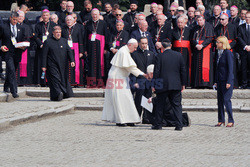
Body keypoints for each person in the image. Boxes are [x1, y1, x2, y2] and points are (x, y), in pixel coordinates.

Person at [102, 39, 148, 126]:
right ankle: (121, 120)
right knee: (120, 99)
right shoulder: (123, 52)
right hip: (117, 78)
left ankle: (128, 119)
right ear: (130, 45)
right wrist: (143, 74)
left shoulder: (124, 51)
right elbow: (131, 68)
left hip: (121, 77)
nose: (135, 49)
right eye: (134, 47)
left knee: (126, 99)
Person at [152, 39, 186, 130]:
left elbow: (156, 71)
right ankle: (179, 125)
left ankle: (158, 124)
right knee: (177, 105)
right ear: (171, 45)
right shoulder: (179, 55)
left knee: (160, 105)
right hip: (176, 84)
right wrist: (183, 83)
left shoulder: (159, 56)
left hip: (162, 84)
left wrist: (154, 84)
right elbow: (183, 70)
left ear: (162, 47)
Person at [42, 26, 75, 101]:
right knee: (55, 79)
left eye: (59, 32)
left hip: (63, 64)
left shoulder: (64, 41)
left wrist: (72, 61)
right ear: (53, 33)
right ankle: (58, 92)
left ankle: (59, 94)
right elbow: (44, 55)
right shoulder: (48, 42)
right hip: (52, 64)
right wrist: (43, 65)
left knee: (62, 79)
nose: (58, 34)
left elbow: (69, 51)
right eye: (56, 32)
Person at [0, 12, 26, 98]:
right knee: (11, 69)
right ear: (10, 18)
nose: (15, 21)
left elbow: (23, 39)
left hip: (17, 52)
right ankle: (14, 90)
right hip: (8, 52)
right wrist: (1, 46)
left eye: (16, 20)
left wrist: (23, 46)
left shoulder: (21, 27)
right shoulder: (4, 27)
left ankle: (6, 85)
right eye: (14, 19)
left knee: (13, 70)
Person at [130, 37, 155, 123]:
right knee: (138, 100)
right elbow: (132, 69)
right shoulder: (134, 54)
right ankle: (137, 117)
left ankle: (146, 118)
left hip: (149, 82)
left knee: (148, 99)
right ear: (139, 44)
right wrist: (134, 82)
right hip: (139, 81)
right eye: (143, 43)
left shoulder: (151, 54)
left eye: (146, 43)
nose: (144, 45)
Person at [84, 8, 108, 87]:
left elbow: (106, 35)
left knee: (99, 64)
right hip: (90, 47)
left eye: (96, 14)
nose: (95, 16)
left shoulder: (103, 23)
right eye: (93, 14)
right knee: (91, 64)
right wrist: (85, 49)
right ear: (91, 15)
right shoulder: (88, 23)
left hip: (100, 47)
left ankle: (100, 83)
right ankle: (91, 83)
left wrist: (105, 48)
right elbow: (85, 37)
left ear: (99, 15)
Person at [214, 36, 234, 127]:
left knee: (226, 100)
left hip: (226, 80)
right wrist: (215, 81)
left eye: (218, 42)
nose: (216, 44)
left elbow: (230, 69)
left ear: (223, 43)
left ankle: (231, 120)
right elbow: (217, 68)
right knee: (220, 101)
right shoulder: (218, 53)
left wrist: (229, 81)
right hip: (220, 80)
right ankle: (221, 119)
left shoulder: (228, 53)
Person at [33, 9, 56, 86]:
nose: (45, 17)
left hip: (51, 48)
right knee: (40, 64)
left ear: (49, 16)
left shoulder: (53, 25)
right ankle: (40, 81)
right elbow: (35, 37)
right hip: (41, 48)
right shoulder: (38, 25)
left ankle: (50, 81)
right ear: (42, 16)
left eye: (47, 15)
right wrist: (40, 44)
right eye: (44, 15)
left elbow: (55, 35)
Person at [191, 15, 214, 88]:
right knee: (197, 66)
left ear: (204, 20)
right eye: (198, 21)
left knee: (205, 66)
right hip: (197, 49)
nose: (199, 22)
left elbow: (209, 39)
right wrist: (196, 44)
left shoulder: (209, 27)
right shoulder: (195, 28)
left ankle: (205, 83)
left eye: (201, 20)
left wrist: (202, 45)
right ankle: (198, 84)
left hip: (205, 49)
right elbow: (193, 39)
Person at [62, 15, 84, 86]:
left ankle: (75, 82)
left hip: (76, 49)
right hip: (66, 49)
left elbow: (81, 40)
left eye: (70, 20)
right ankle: (67, 81)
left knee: (76, 65)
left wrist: (81, 51)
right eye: (67, 20)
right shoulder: (63, 28)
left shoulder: (77, 28)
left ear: (74, 20)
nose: (69, 21)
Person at [172, 17, 192, 87]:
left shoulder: (189, 30)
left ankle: (186, 83)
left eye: (181, 22)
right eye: (178, 22)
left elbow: (191, 41)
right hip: (176, 52)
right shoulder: (174, 31)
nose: (180, 24)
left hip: (186, 52)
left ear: (185, 23)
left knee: (185, 67)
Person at [237, 12, 250, 89]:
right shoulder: (240, 27)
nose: (247, 19)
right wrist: (245, 46)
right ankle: (244, 84)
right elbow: (239, 37)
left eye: (249, 17)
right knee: (244, 68)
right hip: (244, 50)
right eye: (246, 17)